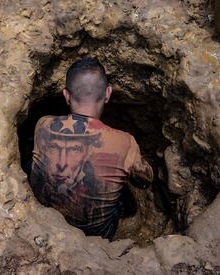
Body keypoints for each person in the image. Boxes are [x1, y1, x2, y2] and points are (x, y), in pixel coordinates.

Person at [29, 57, 153, 241]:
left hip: (43, 221)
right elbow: (144, 181)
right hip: (95, 235)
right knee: (126, 197)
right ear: (108, 93)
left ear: (66, 95)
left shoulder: (43, 124)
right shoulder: (126, 142)